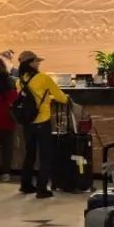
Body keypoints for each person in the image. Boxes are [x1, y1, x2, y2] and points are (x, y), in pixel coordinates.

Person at [16, 50, 68, 199]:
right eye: (36, 61)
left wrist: (46, 98)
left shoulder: (19, 81)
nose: (38, 63)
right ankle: (42, 188)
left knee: (30, 154)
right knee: (45, 156)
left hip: (28, 123)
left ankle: (26, 184)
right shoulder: (43, 78)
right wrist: (53, 98)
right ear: (31, 63)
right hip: (42, 121)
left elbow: (29, 98)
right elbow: (61, 97)